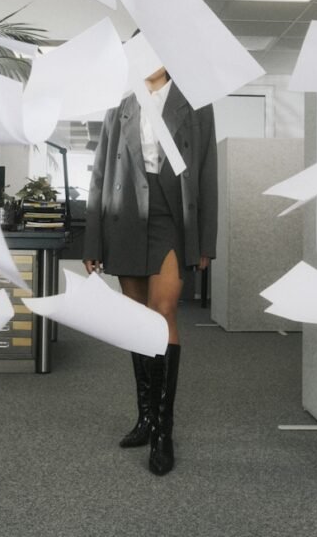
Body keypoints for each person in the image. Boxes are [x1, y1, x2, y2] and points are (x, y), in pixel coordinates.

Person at [83, 59, 218, 476]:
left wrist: (205, 241)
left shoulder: (196, 101)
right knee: (137, 320)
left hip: (172, 219)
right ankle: (144, 418)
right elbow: (101, 172)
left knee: (163, 315)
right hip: (124, 216)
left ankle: (163, 429)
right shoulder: (119, 102)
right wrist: (93, 238)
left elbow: (208, 172)